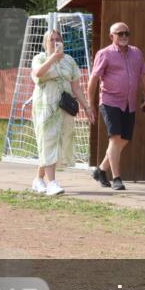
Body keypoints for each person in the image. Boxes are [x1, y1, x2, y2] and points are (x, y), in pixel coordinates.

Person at [88, 22, 145, 191]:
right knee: (115, 139)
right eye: (120, 33)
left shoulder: (136, 53)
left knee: (124, 140)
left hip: (129, 103)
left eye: (126, 33)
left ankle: (101, 170)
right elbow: (94, 79)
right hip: (110, 101)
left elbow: (143, 75)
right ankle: (116, 178)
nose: (124, 36)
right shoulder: (104, 54)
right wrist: (89, 104)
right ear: (111, 36)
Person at [31, 29, 94, 195]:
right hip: (45, 106)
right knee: (49, 140)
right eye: (51, 40)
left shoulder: (69, 61)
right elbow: (38, 73)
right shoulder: (40, 58)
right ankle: (52, 183)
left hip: (64, 106)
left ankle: (38, 179)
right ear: (45, 43)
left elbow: (76, 87)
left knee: (56, 143)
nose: (55, 42)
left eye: (58, 39)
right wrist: (53, 58)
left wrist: (87, 106)